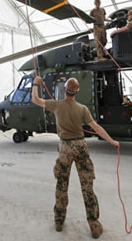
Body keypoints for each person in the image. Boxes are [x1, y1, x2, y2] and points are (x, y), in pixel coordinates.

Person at [32, 76, 119, 239]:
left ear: (65, 90)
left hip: (64, 147)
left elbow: (35, 99)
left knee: (61, 184)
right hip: (80, 146)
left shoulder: (56, 105)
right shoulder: (82, 109)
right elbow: (97, 128)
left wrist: (36, 83)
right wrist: (112, 141)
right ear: (77, 92)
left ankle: (59, 221)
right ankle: (94, 225)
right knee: (87, 187)